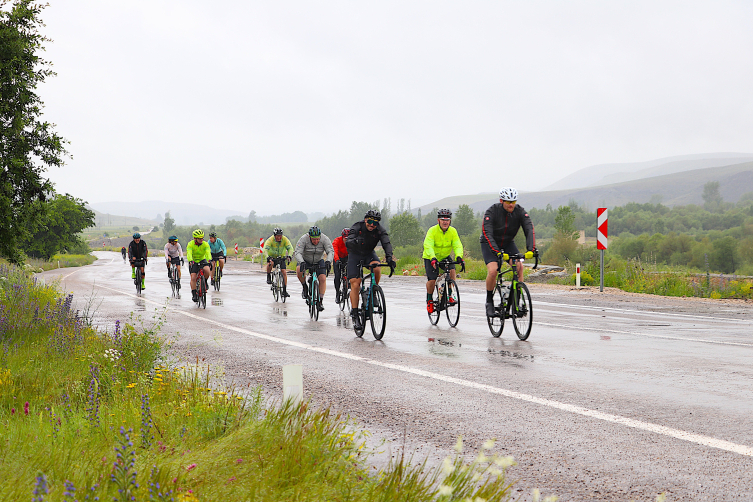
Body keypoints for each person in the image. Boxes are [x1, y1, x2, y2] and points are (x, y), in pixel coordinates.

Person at [480, 187, 536, 317]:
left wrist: (531, 249)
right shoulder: (492, 211)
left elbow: (529, 228)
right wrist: (497, 252)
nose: (511, 205)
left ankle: (516, 301)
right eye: (508, 202)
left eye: (513, 202)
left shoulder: (520, 211)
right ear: (501, 201)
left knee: (519, 267)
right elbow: (487, 233)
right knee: (493, 271)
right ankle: (489, 301)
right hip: (489, 243)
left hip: (508, 242)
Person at [345, 210, 396, 330]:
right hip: (355, 255)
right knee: (356, 284)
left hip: (368, 254)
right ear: (365, 219)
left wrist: (389, 258)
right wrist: (354, 242)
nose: (372, 225)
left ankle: (373, 290)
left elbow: (386, 243)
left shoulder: (379, 230)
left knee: (377, 267)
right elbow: (348, 241)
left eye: (375, 222)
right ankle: (355, 313)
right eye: (370, 221)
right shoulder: (357, 226)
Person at [423, 209, 465, 313]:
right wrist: (432, 258)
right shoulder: (432, 230)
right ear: (438, 220)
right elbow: (428, 245)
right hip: (430, 257)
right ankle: (429, 300)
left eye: (447, 220)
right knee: (432, 280)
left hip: (445, 256)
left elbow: (457, 244)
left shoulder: (453, 231)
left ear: (450, 221)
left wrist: (459, 256)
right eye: (442, 219)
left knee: (452, 271)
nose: (445, 222)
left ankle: (449, 294)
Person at [294, 226, 334, 312]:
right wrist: (301, 262)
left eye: (317, 239)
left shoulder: (324, 239)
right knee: (299, 270)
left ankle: (320, 301)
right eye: (313, 239)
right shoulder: (303, 239)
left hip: (318, 260)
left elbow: (330, 251)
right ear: (309, 237)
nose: (316, 241)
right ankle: (304, 286)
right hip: (305, 260)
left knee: (322, 278)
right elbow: (298, 252)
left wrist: (328, 261)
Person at [263, 227, 293, 298]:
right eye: (277, 236)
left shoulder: (285, 239)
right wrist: (267, 257)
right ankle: (268, 276)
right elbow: (265, 249)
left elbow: (290, 248)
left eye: (280, 236)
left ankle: (284, 290)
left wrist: (289, 256)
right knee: (271, 263)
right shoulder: (270, 240)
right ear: (274, 235)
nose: (279, 238)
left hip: (281, 257)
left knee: (284, 272)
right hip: (272, 257)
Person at [186, 229, 213, 302]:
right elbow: (189, 253)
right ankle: (194, 293)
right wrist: (190, 260)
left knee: (207, 270)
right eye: (199, 238)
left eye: (202, 238)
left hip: (202, 259)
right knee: (193, 277)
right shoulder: (190, 244)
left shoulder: (205, 244)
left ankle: (205, 281)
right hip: (194, 260)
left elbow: (208, 252)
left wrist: (209, 260)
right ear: (195, 238)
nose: (201, 240)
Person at [331, 228, 350, 304]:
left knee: (351, 270)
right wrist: (337, 260)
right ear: (342, 237)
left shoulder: (351, 242)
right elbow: (334, 251)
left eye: (348, 239)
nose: (347, 240)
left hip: (347, 257)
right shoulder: (337, 241)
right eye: (345, 239)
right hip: (338, 258)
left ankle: (348, 284)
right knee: (338, 275)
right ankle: (337, 293)